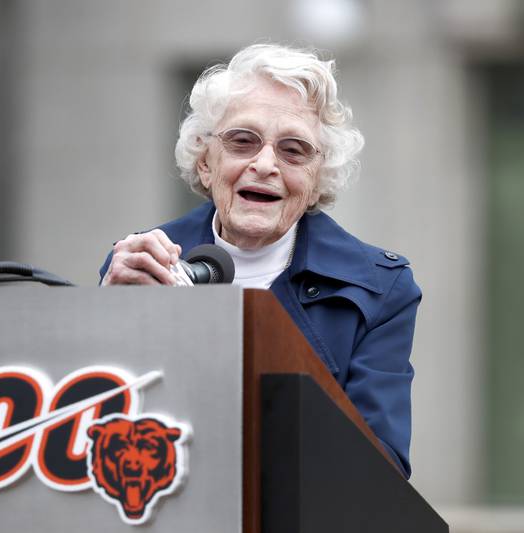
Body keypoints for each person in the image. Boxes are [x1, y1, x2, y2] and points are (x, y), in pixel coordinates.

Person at [99, 43, 421, 478]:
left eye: (293, 150)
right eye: (242, 141)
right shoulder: (137, 264)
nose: (265, 164)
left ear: (315, 180)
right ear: (206, 163)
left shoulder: (380, 289)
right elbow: (95, 429)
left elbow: (382, 473)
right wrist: (103, 320)